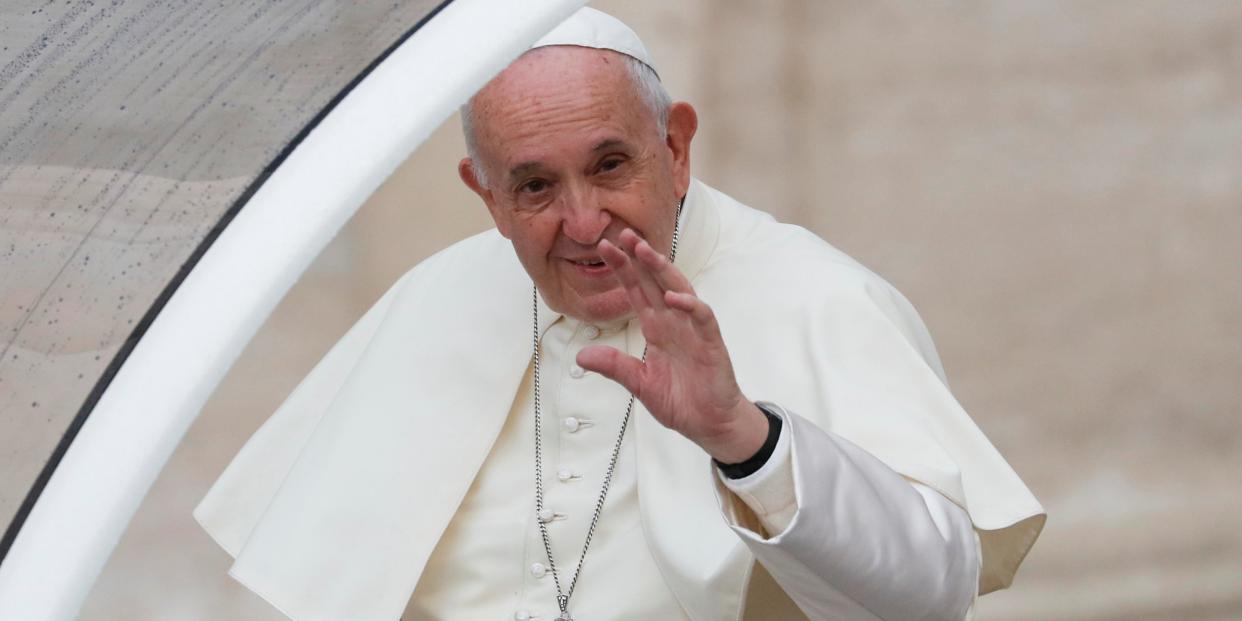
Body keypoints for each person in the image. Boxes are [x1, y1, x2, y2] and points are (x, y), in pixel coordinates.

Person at [195, 8, 1044, 621]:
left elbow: (932, 593)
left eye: (610, 165)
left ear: (675, 147)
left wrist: (747, 440)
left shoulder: (820, 296)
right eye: (534, 185)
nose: (584, 222)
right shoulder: (430, 300)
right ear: (484, 194)